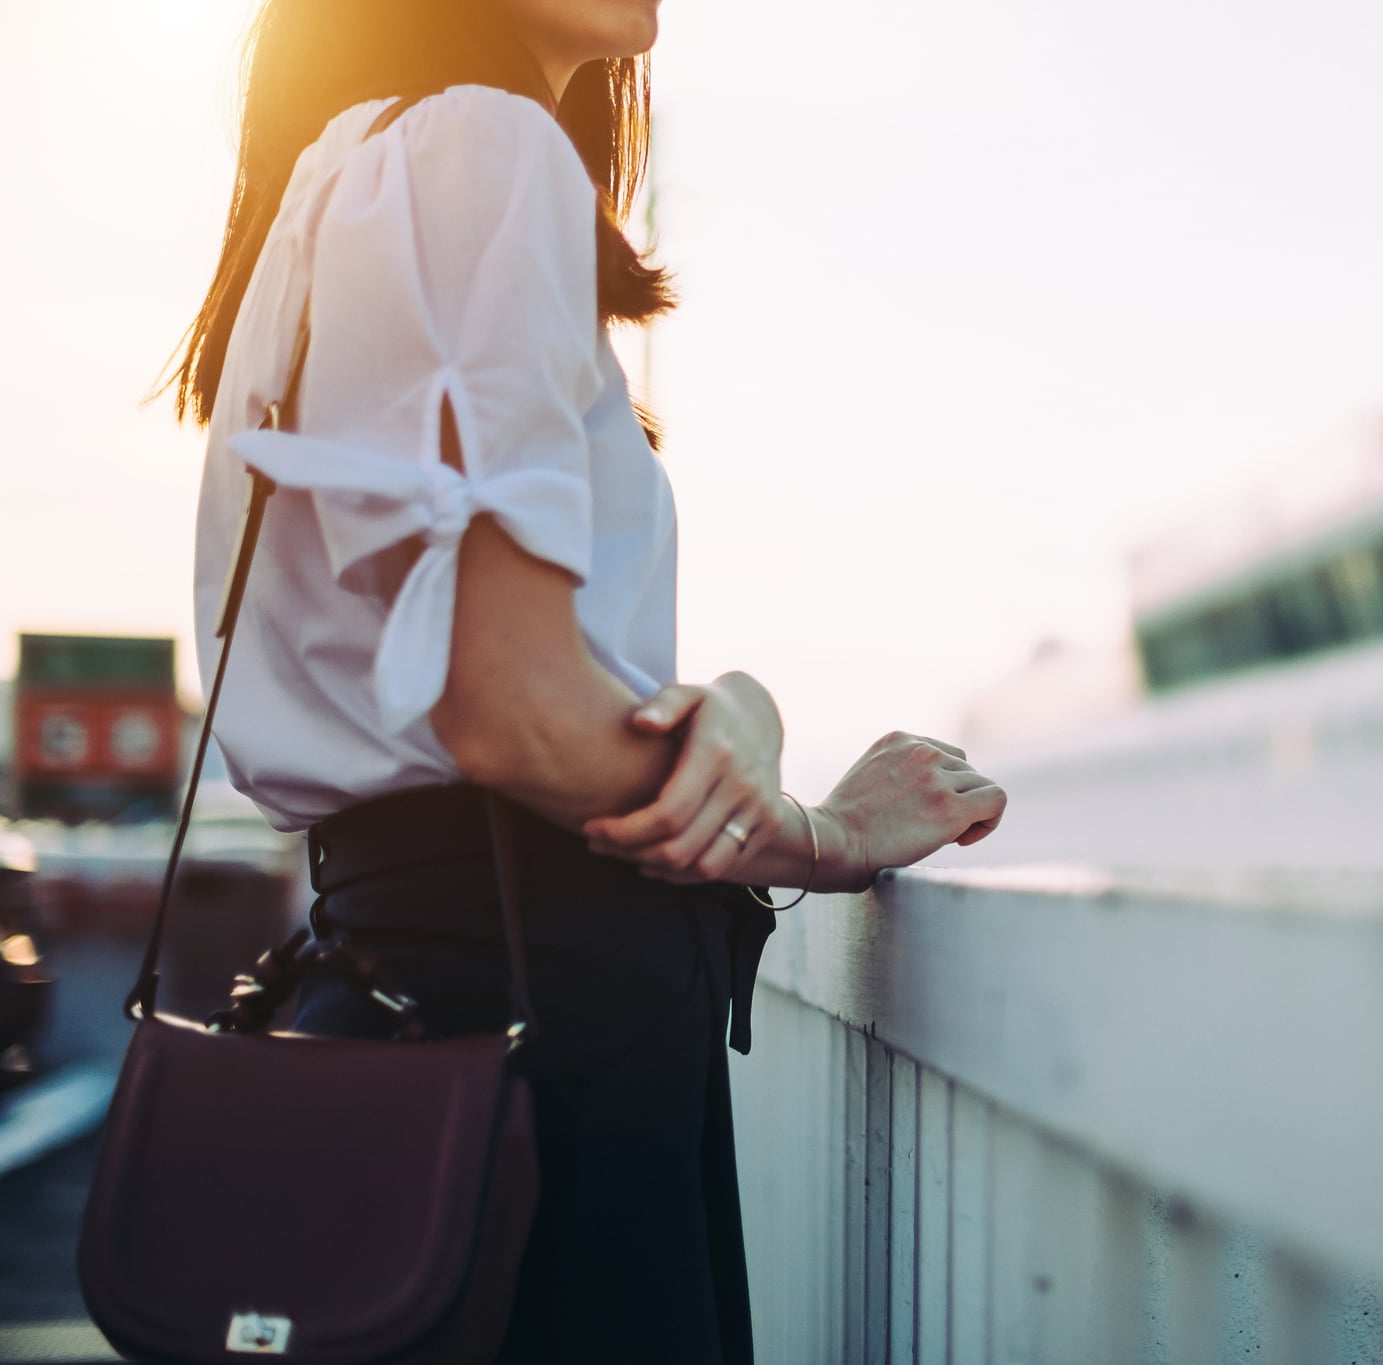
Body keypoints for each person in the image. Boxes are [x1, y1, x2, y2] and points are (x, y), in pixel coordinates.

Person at [167, 1, 1007, 1359]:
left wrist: (739, 703)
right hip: (551, 1024)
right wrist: (827, 831)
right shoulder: (483, 147)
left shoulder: (337, 183)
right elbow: (513, 711)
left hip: (404, 980)